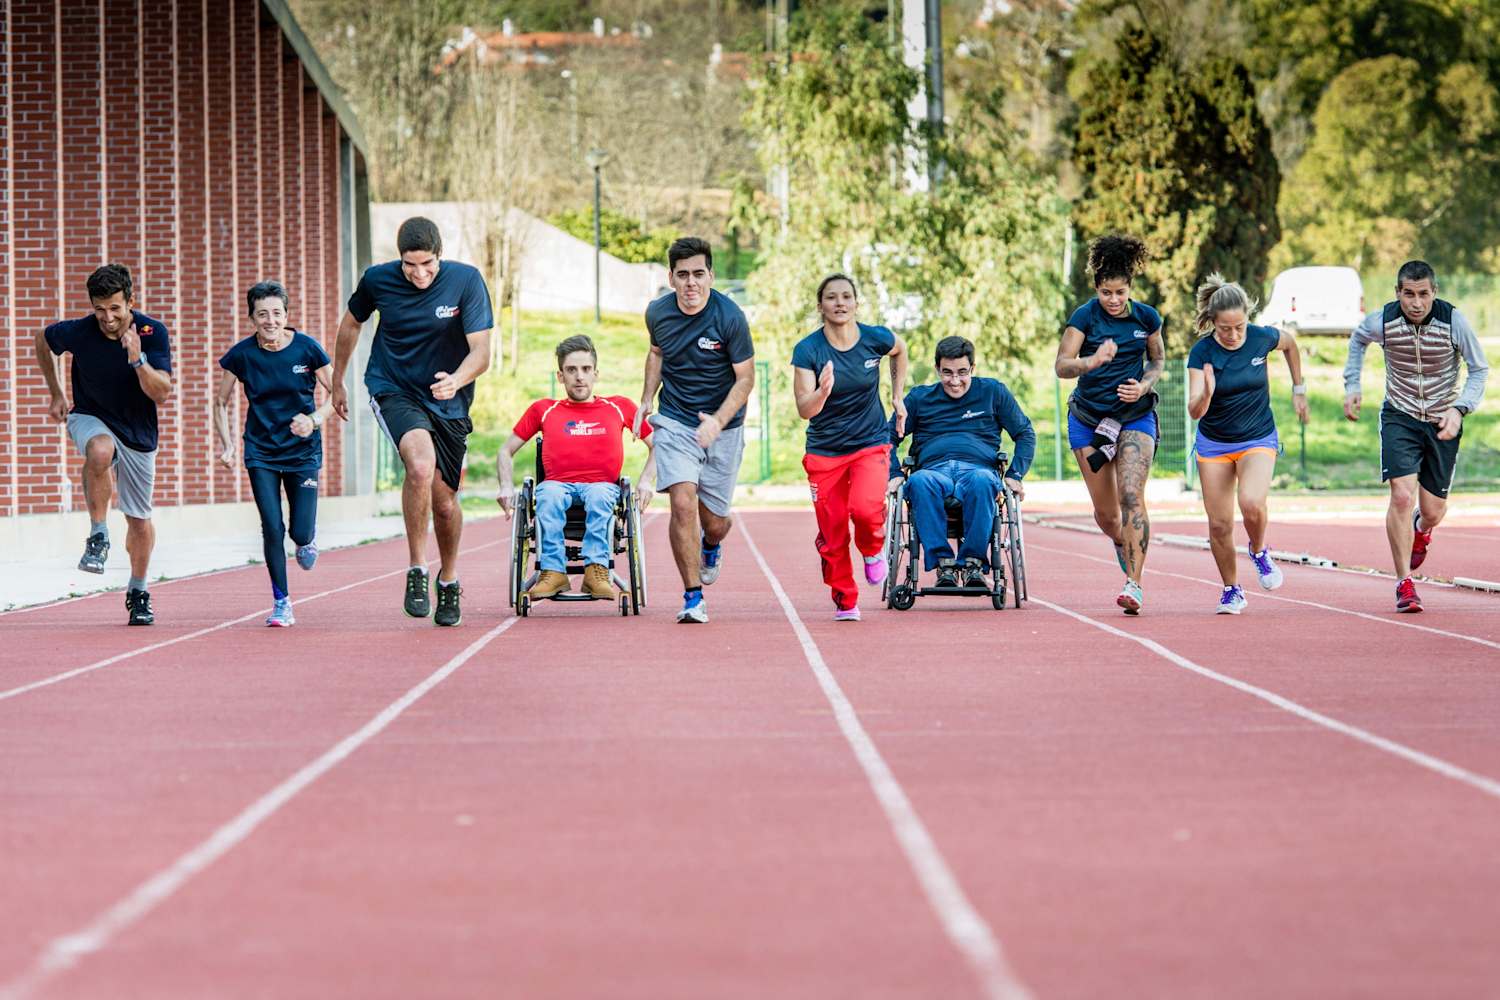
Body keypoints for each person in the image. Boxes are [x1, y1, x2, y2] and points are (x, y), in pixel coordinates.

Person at [330, 217, 493, 627]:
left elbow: (482, 352)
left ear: (441, 254)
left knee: (444, 500)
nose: (419, 274)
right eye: (410, 265)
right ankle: (418, 569)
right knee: (419, 465)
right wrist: (337, 380)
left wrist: (456, 380)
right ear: (399, 258)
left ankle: (449, 578)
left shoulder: (466, 281)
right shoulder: (377, 280)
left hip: (449, 398)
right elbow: (351, 323)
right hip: (395, 387)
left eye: (428, 265)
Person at [1344, 259, 1489, 613]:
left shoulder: (1454, 321)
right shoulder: (1383, 320)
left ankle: (1422, 530)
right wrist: (1353, 385)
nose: (1416, 303)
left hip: (1442, 419)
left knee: (1433, 511)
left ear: (1433, 293)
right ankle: (1404, 583)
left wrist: (1460, 409)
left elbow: (1480, 369)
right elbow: (1358, 338)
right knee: (1401, 496)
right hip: (1400, 416)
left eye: (1423, 294)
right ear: (1398, 293)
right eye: (1408, 294)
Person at [35, 264, 173, 626]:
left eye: (115, 308)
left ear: (130, 300)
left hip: (139, 432)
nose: (107, 318)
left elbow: (161, 393)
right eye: (99, 309)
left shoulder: (152, 332)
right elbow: (43, 340)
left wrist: (137, 358)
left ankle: (138, 591)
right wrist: (56, 393)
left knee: (139, 521)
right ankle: (98, 535)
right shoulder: (80, 331)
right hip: (90, 416)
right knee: (99, 449)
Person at [634, 237, 755, 624]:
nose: (691, 283)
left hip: (725, 425)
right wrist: (645, 400)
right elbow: (656, 353)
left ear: (711, 276)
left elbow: (746, 379)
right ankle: (692, 596)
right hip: (675, 418)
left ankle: (711, 543)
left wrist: (718, 421)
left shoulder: (730, 317)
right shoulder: (658, 313)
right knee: (682, 502)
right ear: (671, 277)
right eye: (682, 275)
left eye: (698, 274)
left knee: (714, 521)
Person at [497, 335, 656, 601]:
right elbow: (505, 450)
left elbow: (658, 445)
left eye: (585, 369)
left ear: (596, 373)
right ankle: (552, 572)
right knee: (548, 495)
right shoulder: (544, 410)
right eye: (571, 370)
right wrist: (505, 485)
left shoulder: (619, 407)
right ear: (560, 376)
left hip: (602, 486)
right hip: (557, 485)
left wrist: (646, 481)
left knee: (599, 495)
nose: (579, 377)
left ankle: (596, 571)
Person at [1055, 234, 1165, 615]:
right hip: (1088, 419)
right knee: (1106, 515)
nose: (1113, 300)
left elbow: (1157, 362)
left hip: (1135, 417)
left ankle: (1134, 583)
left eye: (1120, 292)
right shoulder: (1085, 317)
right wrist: (1092, 362)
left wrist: (1145, 384)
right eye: (1106, 292)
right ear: (1096, 288)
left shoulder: (1146, 317)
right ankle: (1122, 542)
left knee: (1132, 495)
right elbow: (1061, 366)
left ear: (1130, 288)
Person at [214, 281, 335, 627]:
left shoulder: (308, 349)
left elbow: (337, 397)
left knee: (299, 533)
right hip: (261, 451)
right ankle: (282, 602)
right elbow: (220, 401)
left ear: (287, 315)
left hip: (303, 452)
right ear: (252, 317)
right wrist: (228, 445)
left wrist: (313, 420)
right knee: (271, 526)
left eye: (277, 313)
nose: (270, 320)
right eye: (262, 314)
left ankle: (306, 540)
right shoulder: (241, 355)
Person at [1186, 275, 1308, 615]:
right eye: (1226, 329)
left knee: (1251, 502)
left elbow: (1291, 344)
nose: (1234, 335)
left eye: (1239, 326)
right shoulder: (1202, 353)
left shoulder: (1261, 338)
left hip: (1257, 436)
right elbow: (1194, 410)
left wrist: (1299, 390)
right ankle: (1231, 589)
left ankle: (1258, 551)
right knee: (1219, 524)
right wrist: (1207, 392)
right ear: (1213, 323)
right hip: (1214, 444)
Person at [791, 273, 909, 621]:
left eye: (846, 297)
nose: (839, 303)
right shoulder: (809, 350)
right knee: (833, 533)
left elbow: (900, 351)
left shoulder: (875, 338)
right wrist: (822, 392)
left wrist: (897, 395)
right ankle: (845, 598)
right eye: (831, 297)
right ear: (821, 306)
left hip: (869, 443)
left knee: (866, 509)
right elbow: (803, 409)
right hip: (825, 452)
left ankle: (873, 550)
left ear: (856, 303)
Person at [888, 336, 1034, 589]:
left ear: (973, 369)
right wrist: (893, 472)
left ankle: (972, 564)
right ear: (937, 370)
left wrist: (1015, 474)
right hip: (933, 470)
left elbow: (1025, 433)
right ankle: (944, 564)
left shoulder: (993, 392)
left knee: (983, 481)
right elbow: (887, 437)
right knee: (919, 481)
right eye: (947, 373)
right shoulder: (920, 398)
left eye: (962, 372)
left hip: (978, 469)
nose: (955, 381)